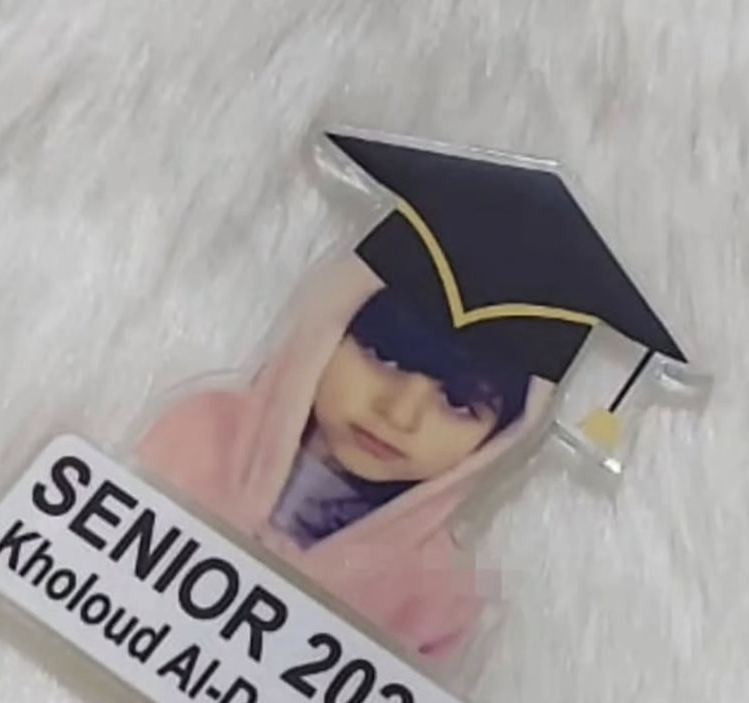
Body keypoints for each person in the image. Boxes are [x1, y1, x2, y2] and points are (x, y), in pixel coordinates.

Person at [136, 129, 687, 663]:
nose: (399, 414)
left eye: (460, 404)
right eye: (386, 358)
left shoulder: (435, 600)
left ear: (503, 437)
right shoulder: (201, 437)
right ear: (326, 329)